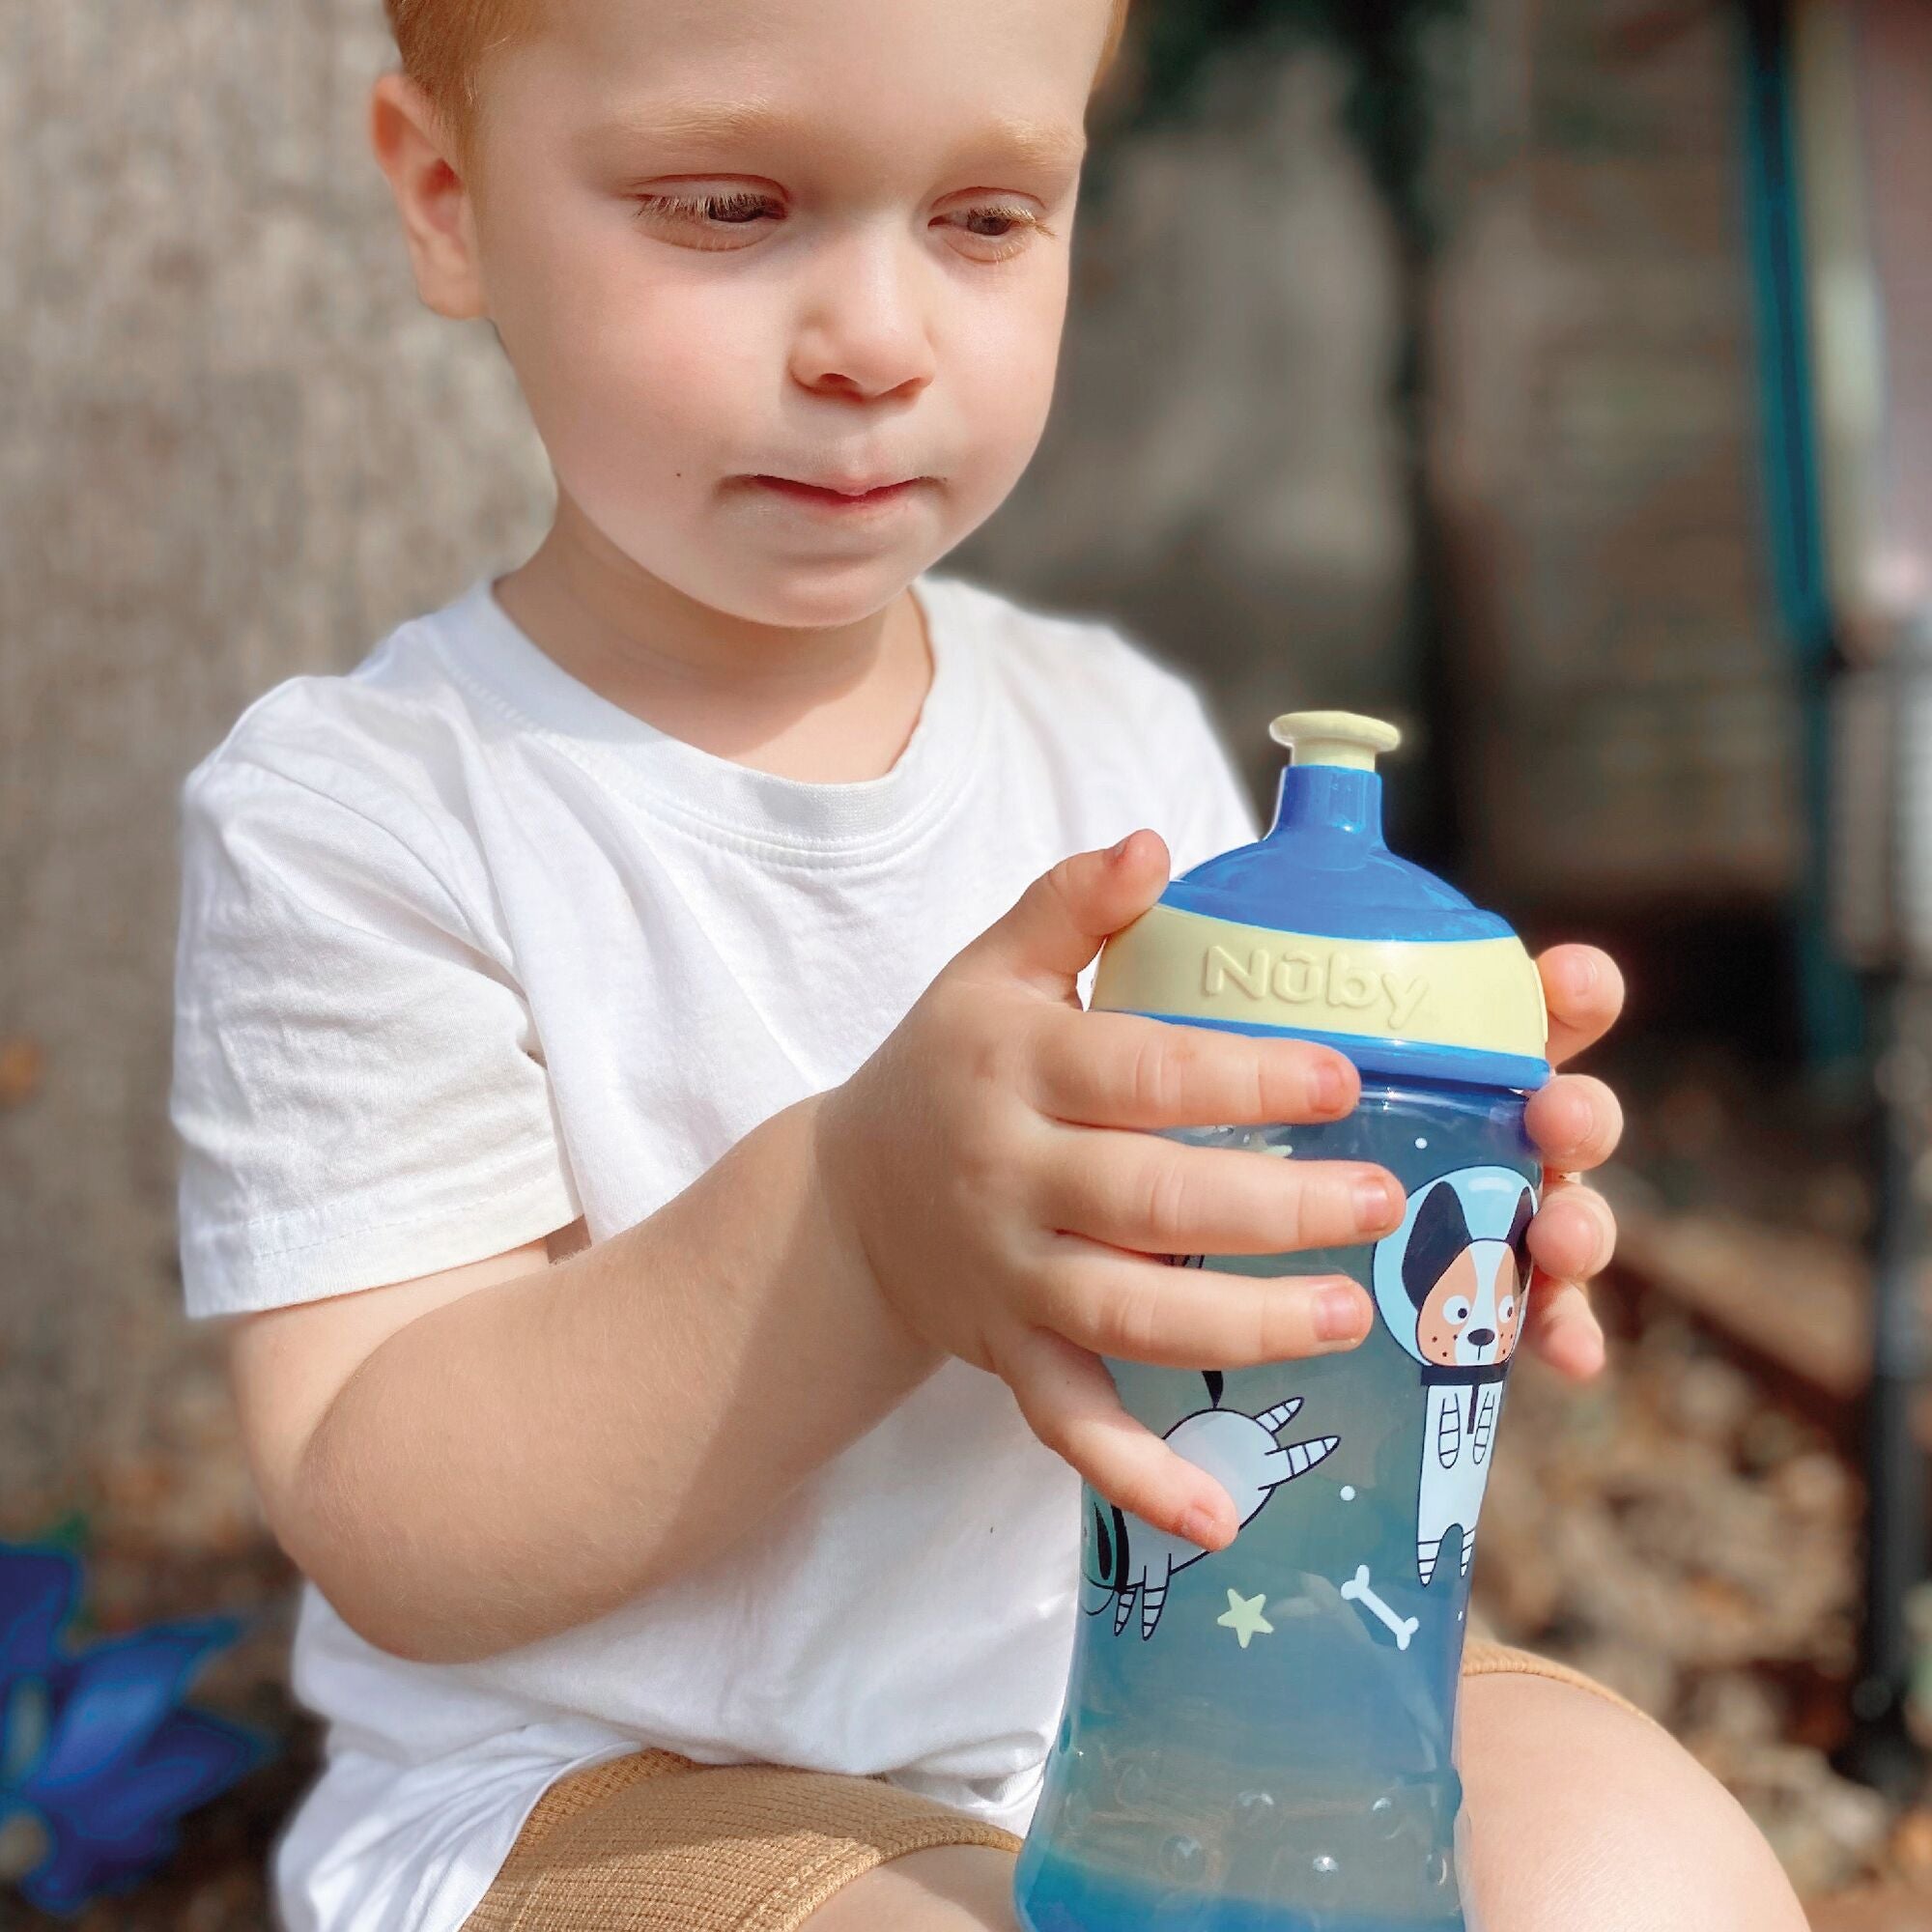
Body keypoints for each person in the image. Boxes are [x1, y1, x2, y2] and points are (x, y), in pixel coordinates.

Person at [167, 0, 1808, 1926]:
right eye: (727, 204)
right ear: (448, 200)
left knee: (1648, 1865)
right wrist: (859, 1231)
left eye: (981, 218)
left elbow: (1210, 1285)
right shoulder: (367, 811)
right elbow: (398, 1513)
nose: (878, 340)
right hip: (626, 1789)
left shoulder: (1114, 748)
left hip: (1171, 1669)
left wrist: (1412, 1224)